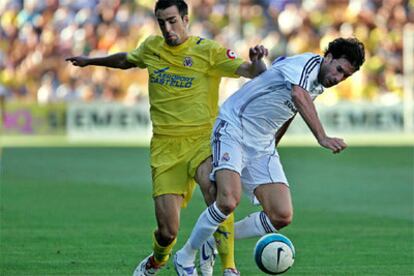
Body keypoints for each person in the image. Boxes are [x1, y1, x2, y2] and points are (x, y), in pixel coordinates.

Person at [65, 1, 267, 275]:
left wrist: (258, 61)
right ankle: (157, 260)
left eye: (172, 20)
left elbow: (252, 72)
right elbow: (126, 60)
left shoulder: (207, 51)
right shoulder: (151, 48)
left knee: (219, 195)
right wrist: (91, 61)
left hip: (202, 141)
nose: (167, 28)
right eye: (162, 22)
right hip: (165, 147)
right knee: (167, 231)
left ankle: (229, 267)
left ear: (185, 19)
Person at [174, 37, 365, 275]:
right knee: (227, 201)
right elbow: (298, 96)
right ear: (327, 57)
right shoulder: (307, 65)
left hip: (262, 144)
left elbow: (289, 112)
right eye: (338, 69)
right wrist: (322, 137)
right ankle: (185, 257)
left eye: (345, 76)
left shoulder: (316, 84)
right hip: (234, 126)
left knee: (281, 215)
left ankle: (211, 243)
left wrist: (273, 145)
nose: (338, 78)